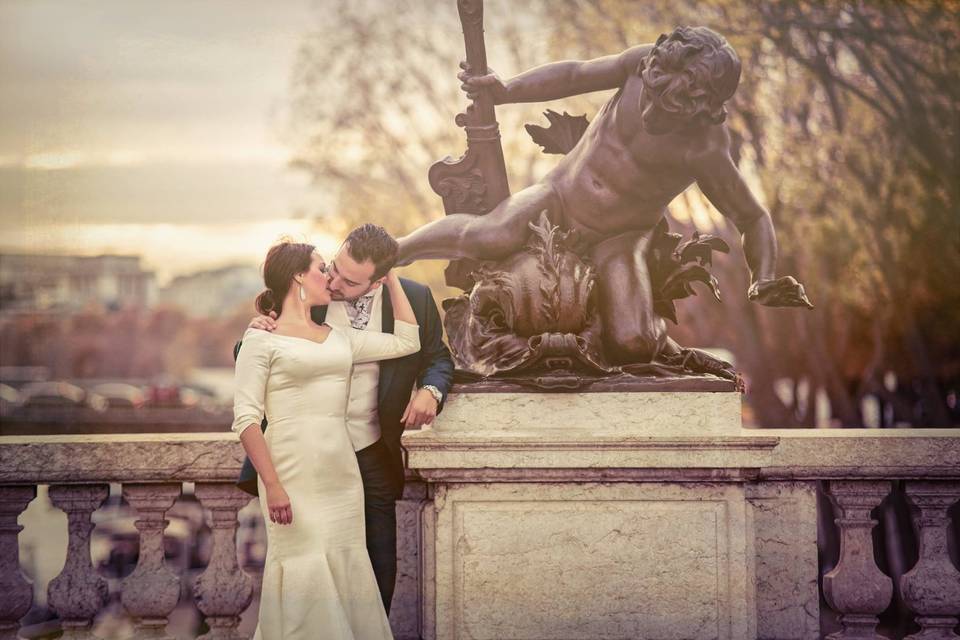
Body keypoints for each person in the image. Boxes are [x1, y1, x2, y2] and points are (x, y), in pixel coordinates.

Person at [397, 26, 812, 366]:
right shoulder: (639, 62)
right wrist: (507, 90)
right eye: (650, 94)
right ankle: (398, 250)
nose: (650, 113)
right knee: (491, 234)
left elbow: (752, 216)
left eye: (668, 110)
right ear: (651, 69)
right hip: (558, 196)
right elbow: (575, 74)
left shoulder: (705, 148)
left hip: (620, 238)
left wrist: (765, 276)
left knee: (632, 343)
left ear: (700, 109)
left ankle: (658, 338)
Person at [235, 224, 454, 616]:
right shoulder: (315, 293)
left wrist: (430, 391)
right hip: (301, 458)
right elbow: (259, 356)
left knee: (376, 560)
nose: (334, 281)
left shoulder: (416, 300)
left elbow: (435, 357)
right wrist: (254, 327)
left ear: (377, 280)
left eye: (349, 280)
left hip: (370, 449)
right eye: (332, 266)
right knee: (308, 559)